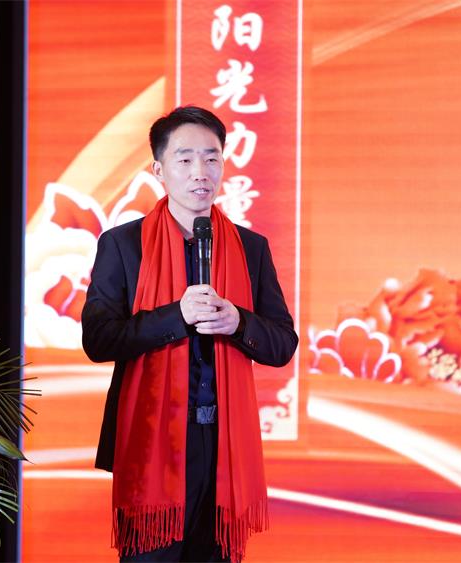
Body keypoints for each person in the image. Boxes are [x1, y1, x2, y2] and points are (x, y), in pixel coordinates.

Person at [82, 105, 298, 562]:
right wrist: (175, 317)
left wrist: (239, 323)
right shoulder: (122, 245)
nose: (200, 171)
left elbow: (283, 344)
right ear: (159, 170)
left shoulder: (251, 248)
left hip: (224, 443)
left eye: (211, 157)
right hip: (151, 441)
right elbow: (99, 340)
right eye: (185, 159)